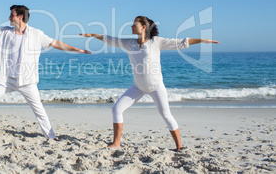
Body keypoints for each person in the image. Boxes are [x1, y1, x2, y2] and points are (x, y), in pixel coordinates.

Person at [0, 5, 90, 140]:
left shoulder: (36, 34)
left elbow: (55, 43)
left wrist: (77, 49)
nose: (9, 17)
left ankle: (51, 136)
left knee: (38, 109)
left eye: (12, 15)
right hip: (6, 80)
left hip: (27, 81)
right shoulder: (4, 32)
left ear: (20, 17)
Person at [81, 15, 218, 151]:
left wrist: (203, 40)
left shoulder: (156, 42)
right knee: (116, 109)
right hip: (138, 87)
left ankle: (179, 146)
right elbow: (110, 40)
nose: (131, 26)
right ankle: (116, 143)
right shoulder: (129, 43)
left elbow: (180, 42)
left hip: (156, 87)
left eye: (135, 24)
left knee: (166, 115)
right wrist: (93, 34)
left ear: (143, 27)